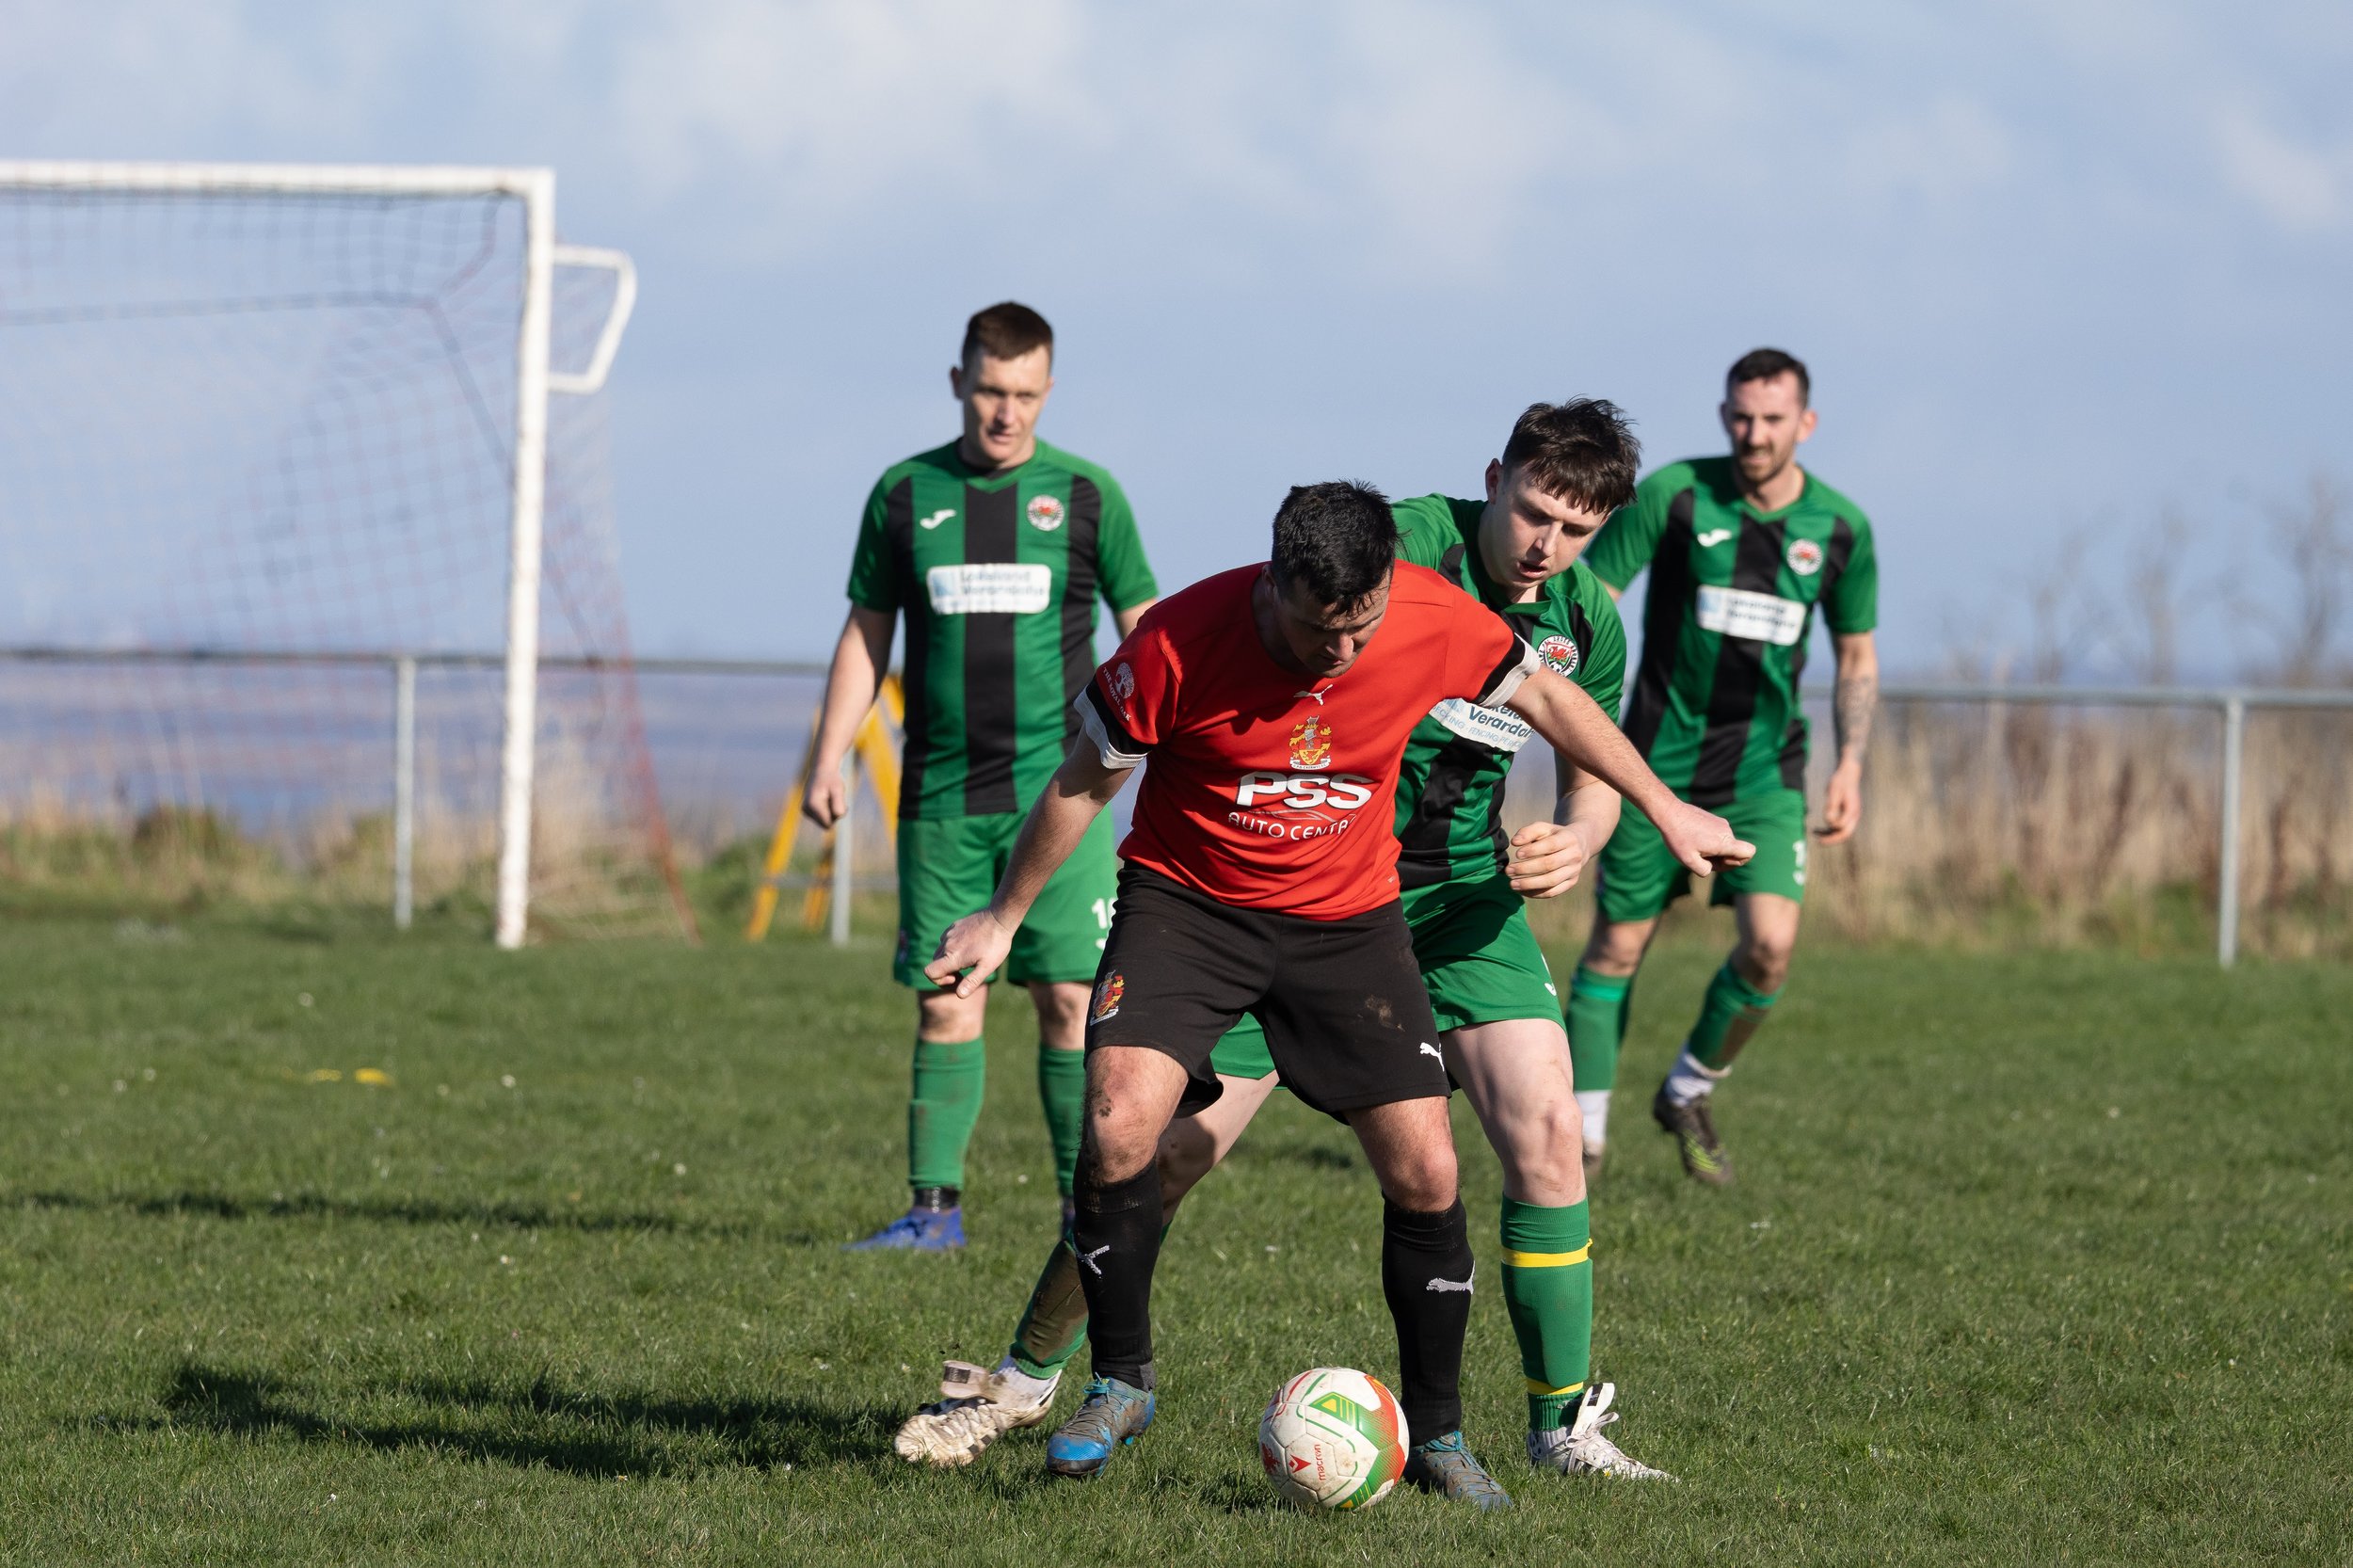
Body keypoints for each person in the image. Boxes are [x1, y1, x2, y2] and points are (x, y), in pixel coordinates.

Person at [892, 401, 1676, 1484]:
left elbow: (1584, 766)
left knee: (1535, 1132)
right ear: (1493, 480)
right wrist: (1004, 911)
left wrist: (1587, 838)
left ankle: (1555, 1429)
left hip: (1448, 907)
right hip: (1271, 898)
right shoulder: (1390, 553)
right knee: (1158, 1150)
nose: (1547, 544)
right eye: (1534, 512)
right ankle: (1031, 1380)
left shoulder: (1583, 623)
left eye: (1577, 530)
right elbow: (1100, 768)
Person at [808, 302, 1159, 1250]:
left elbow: (1148, 626)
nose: (1006, 412)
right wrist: (831, 748)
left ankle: (1080, 1211)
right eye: (991, 391)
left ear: (1047, 392)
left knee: (1072, 999)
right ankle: (933, 1215)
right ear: (958, 382)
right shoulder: (903, 493)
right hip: (942, 797)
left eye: (1026, 395)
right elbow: (866, 631)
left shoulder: (1088, 496)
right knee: (943, 993)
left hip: (1066, 795)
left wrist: (1178, 744)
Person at [1567, 348, 1880, 1184]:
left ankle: (1688, 1088)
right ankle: (1585, 1144)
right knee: (1616, 948)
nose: (1754, 433)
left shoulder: (1841, 528)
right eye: (1741, 416)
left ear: (1804, 424)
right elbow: (1591, 597)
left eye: (1773, 419)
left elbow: (1856, 657)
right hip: (1651, 765)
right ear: (1723, 415)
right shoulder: (1674, 496)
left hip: (1765, 776)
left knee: (1771, 948)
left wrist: (1850, 765)